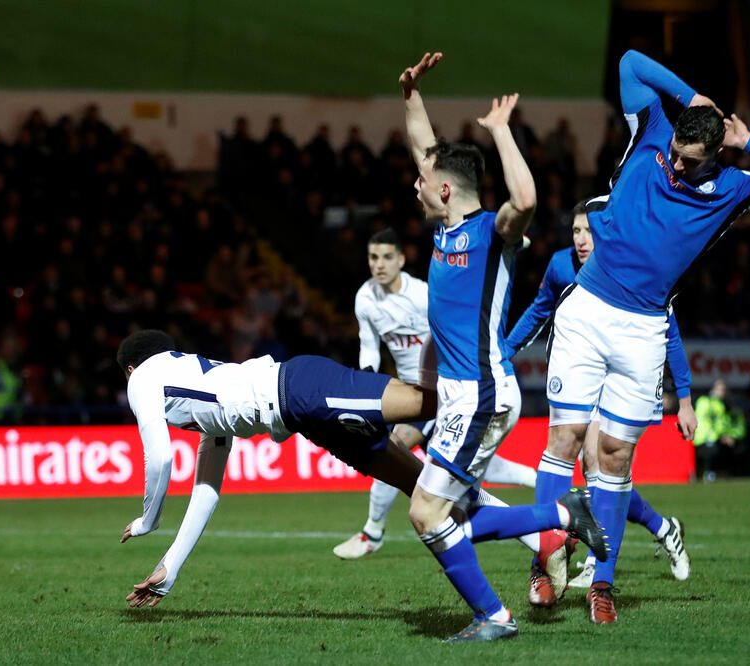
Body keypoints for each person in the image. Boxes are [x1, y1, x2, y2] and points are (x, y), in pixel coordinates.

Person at [533, 49, 750, 624]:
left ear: (715, 154)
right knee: (564, 442)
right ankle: (545, 565)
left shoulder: (737, 186)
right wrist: (690, 97)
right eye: (675, 152)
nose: (674, 162)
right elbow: (629, 61)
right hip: (587, 309)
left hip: (645, 328)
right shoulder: (656, 129)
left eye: (690, 160)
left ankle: (604, 582)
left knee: (614, 458)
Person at [118, 330, 609, 616]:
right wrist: (169, 568)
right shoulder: (203, 403)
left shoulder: (143, 377)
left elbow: (158, 458)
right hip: (303, 415)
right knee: (424, 487)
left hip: (302, 387)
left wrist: (148, 520)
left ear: (130, 369)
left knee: (428, 402)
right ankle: (552, 528)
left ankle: (497, 390)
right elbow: (206, 490)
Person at [400, 52, 564, 643]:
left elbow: (526, 201)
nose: (414, 184)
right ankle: (566, 521)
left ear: (444, 190)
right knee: (459, 508)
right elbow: (426, 149)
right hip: (459, 396)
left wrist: (500, 133)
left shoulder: (492, 232)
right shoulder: (445, 227)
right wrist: (412, 94)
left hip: (480, 393)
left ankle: (494, 617)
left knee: (426, 512)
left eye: (422, 182)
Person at [505, 202, 696, 596]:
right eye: (575, 230)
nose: (581, 239)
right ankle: (660, 528)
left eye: (588, 231)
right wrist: (501, 353)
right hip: (577, 373)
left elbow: (669, 332)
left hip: (620, 380)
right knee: (588, 468)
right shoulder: (561, 266)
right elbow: (538, 313)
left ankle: (594, 559)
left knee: (598, 464)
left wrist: (687, 396)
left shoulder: (636, 263)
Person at [333, 228, 537, 560]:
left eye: (386, 257)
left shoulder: (423, 295)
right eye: (373, 257)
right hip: (409, 392)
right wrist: (369, 386)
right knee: (471, 480)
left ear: (401, 259)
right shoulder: (365, 298)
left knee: (391, 449)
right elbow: (369, 349)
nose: (379, 265)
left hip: (442, 390)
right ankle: (544, 498)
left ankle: (372, 533)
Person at [694, 378, 746, 482]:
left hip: (724, 438)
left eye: (724, 389)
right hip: (706, 439)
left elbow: (736, 425)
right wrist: (721, 436)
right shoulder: (705, 402)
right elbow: (705, 424)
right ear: (713, 390)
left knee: (741, 447)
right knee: (714, 447)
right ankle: (709, 474)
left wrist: (732, 436)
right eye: (719, 389)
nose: (722, 392)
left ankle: (732, 476)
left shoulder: (731, 406)